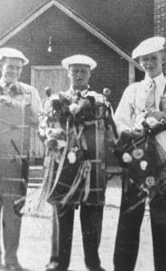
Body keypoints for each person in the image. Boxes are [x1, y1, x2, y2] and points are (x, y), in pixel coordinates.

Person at [113, 37, 166, 271]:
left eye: (153, 59)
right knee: (129, 218)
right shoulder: (133, 90)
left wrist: (163, 121)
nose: (149, 64)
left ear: (161, 59)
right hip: (136, 161)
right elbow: (120, 121)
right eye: (144, 60)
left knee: (160, 220)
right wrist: (131, 132)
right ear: (139, 62)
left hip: (163, 162)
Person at [0, 47, 42, 271]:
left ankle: (11, 259)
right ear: (0, 66)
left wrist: (21, 109)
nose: (14, 71)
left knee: (14, 209)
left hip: (17, 158)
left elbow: (39, 121)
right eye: (10, 66)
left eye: (18, 67)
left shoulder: (29, 92)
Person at [45, 54, 107, 271]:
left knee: (92, 215)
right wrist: (49, 135)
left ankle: (93, 263)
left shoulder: (100, 100)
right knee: (62, 212)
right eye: (75, 71)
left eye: (83, 71)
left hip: (92, 164)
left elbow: (110, 130)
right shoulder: (55, 99)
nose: (79, 74)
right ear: (68, 73)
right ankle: (58, 263)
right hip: (63, 165)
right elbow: (44, 126)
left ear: (90, 73)